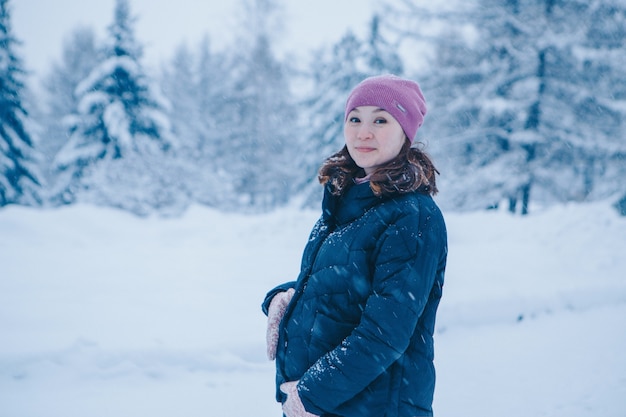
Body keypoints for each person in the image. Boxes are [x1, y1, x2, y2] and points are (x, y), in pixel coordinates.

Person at [262, 74, 448, 417]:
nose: (363, 132)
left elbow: (384, 333)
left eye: (380, 119)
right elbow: (344, 287)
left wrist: (310, 395)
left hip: (376, 407)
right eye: (355, 118)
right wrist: (288, 296)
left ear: (405, 131)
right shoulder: (345, 199)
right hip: (333, 405)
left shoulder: (413, 216)